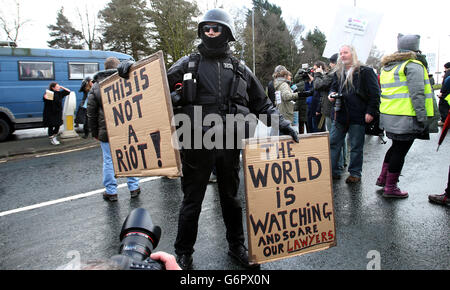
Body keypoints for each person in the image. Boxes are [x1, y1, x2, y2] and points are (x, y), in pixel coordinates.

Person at [118, 8, 298, 270]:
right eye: (207, 28)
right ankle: (183, 253)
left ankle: (237, 246)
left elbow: (263, 103)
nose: (211, 33)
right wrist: (130, 71)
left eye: (216, 28)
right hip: (195, 143)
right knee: (192, 201)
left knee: (231, 199)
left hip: (229, 144)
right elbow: (151, 85)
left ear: (226, 33)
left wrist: (283, 124)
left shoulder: (239, 67)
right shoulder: (187, 63)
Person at [376, 34, 439, 198]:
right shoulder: (413, 65)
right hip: (406, 117)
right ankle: (391, 188)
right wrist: (423, 118)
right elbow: (417, 94)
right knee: (400, 151)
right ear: (416, 48)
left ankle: (383, 180)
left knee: (395, 147)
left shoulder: (388, 67)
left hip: (390, 116)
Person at [87, 57, 141, 202]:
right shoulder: (125, 81)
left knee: (109, 161)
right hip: (125, 128)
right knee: (130, 156)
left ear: (104, 67)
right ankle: (134, 187)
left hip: (106, 131)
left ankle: (111, 192)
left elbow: (91, 113)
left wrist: (95, 133)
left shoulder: (96, 86)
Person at [328, 44, 380, 183]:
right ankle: (333, 171)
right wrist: (331, 94)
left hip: (358, 115)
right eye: (341, 53)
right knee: (333, 143)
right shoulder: (338, 72)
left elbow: (375, 94)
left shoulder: (365, 71)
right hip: (339, 115)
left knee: (356, 146)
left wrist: (371, 112)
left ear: (353, 54)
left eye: (345, 52)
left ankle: (355, 173)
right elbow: (332, 87)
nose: (342, 55)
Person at [311, 60, 329, 132]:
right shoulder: (317, 77)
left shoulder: (323, 77)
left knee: (319, 129)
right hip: (315, 107)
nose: (313, 71)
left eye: (315, 69)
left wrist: (319, 109)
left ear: (320, 67)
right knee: (316, 128)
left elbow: (322, 95)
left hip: (320, 109)